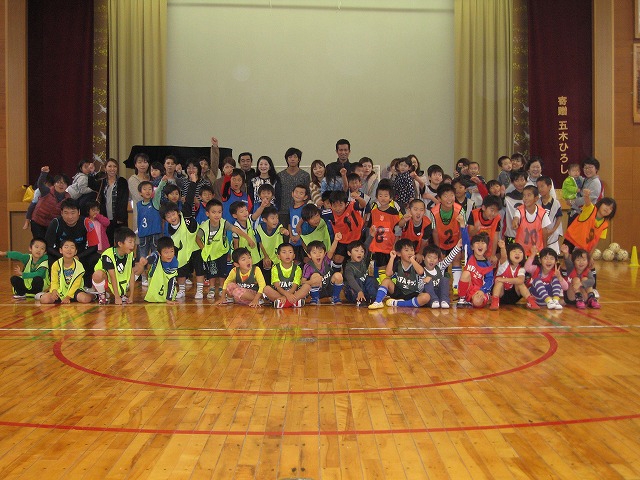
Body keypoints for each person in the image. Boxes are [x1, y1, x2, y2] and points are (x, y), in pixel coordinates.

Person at [196, 199, 255, 300]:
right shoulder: (204, 226)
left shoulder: (224, 223)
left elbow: (236, 230)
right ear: (207, 213)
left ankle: (221, 288)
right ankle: (211, 288)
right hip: (210, 254)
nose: (217, 215)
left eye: (219, 212)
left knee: (222, 271)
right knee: (212, 272)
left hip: (222, 252)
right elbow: (197, 238)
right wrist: (204, 249)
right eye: (213, 212)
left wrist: (248, 238)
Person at [45, 198, 99, 287]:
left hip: (80, 256)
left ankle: (88, 285)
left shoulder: (87, 223)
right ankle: (54, 286)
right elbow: (48, 247)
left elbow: (94, 247)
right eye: (66, 213)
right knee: (47, 259)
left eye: (73, 213)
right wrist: (64, 257)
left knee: (96, 258)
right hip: (60, 256)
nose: (70, 217)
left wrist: (77, 257)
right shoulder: (55, 223)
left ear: (79, 212)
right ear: (61, 213)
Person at [368, 238, 430, 309]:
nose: (410, 252)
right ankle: (378, 301)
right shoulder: (397, 264)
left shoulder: (416, 264)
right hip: (399, 292)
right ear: (399, 253)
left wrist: (412, 260)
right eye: (406, 250)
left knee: (426, 297)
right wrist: (392, 258)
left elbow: (420, 272)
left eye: (412, 250)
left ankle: (399, 303)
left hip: (413, 293)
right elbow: (388, 273)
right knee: (386, 281)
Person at [160, 202, 201, 300]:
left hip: (195, 248)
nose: (172, 218)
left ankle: (199, 290)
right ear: (165, 219)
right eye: (168, 217)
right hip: (182, 251)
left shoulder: (186, 217)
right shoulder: (170, 228)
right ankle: (181, 290)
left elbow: (189, 200)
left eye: (173, 214)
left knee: (199, 270)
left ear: (178, 212)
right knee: (181, 271)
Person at [92, 227, 142, 305]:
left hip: (120, 278)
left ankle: (123, 292)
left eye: (134, 242)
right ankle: (102, 296)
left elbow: (131, 274)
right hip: (107, 281)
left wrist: (131, 296)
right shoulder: (108, 255)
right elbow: (112, 276)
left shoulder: (130, 254)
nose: (133, 245)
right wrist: (117, 297)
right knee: (97, 275)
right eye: (130, 242)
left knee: (140, 267)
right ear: (120, 244)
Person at [38, 239, 95, 304]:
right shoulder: (56, 264)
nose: (69, 249)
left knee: (85, 299)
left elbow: (76, 284)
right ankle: (41, 295)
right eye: (66, 247)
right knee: (44, 300)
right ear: (60, 250)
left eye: (72, 247)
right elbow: (54, 281)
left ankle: (94, 295)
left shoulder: (79, 265)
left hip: (75, 291)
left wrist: (68, 297)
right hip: (60, 290)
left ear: (76, 252)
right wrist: (54, 291)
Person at [456, 215, 495, 309]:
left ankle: (474, 301)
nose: (480, 245)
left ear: (486, 248)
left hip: (480, 291)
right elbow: (465, 240)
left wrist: (482, 291)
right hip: (468, 289)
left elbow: (490, 281)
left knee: (477, 302)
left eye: (483, 243)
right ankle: (462, 299)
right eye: (477, 243)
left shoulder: (488, 265)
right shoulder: (470, 256)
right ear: (472, 247)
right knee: (465, 273)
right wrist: (462, 224)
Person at [430, 183, 463, 293]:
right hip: (440, 241)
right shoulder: (434, 212)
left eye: (451, 195)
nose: (449, 199)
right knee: (440, 261)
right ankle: (441, 287)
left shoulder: (460, 210)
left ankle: (456, 287)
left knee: (457, 258)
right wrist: (438, 249)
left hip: (455, 241)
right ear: (439, 198)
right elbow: (434, 231)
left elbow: (463, 229)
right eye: (445, 196)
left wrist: (460, 246)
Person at [489, 240, 539, 310]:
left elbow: (520, 280)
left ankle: (530, 301)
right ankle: (495, 301)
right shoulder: (504, 263)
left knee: (520, 283)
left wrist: (504, 279)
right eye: (514, 251)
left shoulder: (521, 268)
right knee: (499, 282)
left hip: (514, 295)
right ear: (508, 254)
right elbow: (503, 256)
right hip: (501, 294)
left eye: (520, 252)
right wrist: (503, 248)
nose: (517, 254)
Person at [368, 181, 404, 280]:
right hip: (378, 247)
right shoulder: (374, 212)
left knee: (391, 268)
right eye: (380, 195)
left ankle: (391, 288)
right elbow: (370, 229)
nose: (383, 198)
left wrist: (395, 245)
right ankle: (383, 288)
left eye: (385, 196)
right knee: (381, 268)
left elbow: (398, 230)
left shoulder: (394, 212)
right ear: (376, 197)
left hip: (390, 245)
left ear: (390, 198)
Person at [262, 243, 310, 308]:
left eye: (290, 252)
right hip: (280, 293)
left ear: (294, 256)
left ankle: (283, 303)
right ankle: (293, 302)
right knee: (266, 289)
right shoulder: (275, 268)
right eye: (284, 252)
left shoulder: (297, 268)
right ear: (278, 256)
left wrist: (287, 296)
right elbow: (277, 287)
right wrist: (285, 295)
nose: (287, 255)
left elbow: (294, 286)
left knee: (306, 287)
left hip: (293, 293)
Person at [301, 235, 344, 305]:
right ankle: (315, 298)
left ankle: (335, 297)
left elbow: (331, 251)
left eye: (320, 252)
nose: (318, 255)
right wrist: (312, 281)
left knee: (338, 275)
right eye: (314, 253)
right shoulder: (308, 266)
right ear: (309, 255)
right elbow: (302, 282)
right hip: (318, 290)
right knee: (316, 276)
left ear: (324, 254)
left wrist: (336, 240)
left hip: (329, 288)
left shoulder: (326, 260)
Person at [96, 158, 130, 244]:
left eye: (115, 166)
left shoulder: (122, 181)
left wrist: (120, 217)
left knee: (122, 242)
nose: (112, 169)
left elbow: (124, 200)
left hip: (119, 218)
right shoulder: (102, 182)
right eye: (109, 166)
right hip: (106, 218)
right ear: (105, 168)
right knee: (108, 242)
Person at [329, 190, 364, 272]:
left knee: (356, 258)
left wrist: (358, 198)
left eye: (340, 205)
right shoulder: (328, 213)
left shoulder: (352, 206)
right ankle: (336, 277)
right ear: (331, 205)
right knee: (337, 259)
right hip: (342, 240)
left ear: (346, 204)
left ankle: (356, 276)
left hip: (356, 238)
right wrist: (299, 224)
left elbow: (363, 205)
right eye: (334, 206)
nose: (337, 209)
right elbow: (314, 214)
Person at [31, 166, 71, 239]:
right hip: (37, 221)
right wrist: (44, 173)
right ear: (54, 184)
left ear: (67, 186)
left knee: (49, 244)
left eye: (64, 183)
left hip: (51, 225)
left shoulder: (68, 198)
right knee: (39, 243)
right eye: (58, 182)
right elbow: (40, 184)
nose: (61, 185)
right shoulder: (47, 191)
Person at [512, 185, 552, 256]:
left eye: (529, 195)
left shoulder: (542, 213)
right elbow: (516, 218)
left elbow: (544, 231)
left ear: (536, 198)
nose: (525, 198)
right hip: (521, 251)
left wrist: (545, 248)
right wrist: (515, 221)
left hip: (537, 251)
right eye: (524, 196)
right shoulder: (519, 210)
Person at [525, 245, 568, 309]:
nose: (549, 261)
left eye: (552, 258)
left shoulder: (555, 273)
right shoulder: (536, 269)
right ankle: (548, 300)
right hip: (537, 299)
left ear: (555, 261)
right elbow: (527, 268)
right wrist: (533, 254)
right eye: (545, 258)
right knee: (537, 280)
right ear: (540, 260)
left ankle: (555, 300)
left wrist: (559, 277)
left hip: (551, 300)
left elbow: (566, 287)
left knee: (556, 278)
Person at [278, 147, 311, 229]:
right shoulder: (280, 175)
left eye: (295, 157)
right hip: (283, 211)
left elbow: (308, 194)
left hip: (299, 211)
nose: (292, 159)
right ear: (286, 159)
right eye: (290, 157)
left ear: (299, 159)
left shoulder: (305, 175)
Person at [422, 242, 461, 309]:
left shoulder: (440, 267)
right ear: (423, 258)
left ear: (438, 260)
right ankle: (434, 300)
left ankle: (444, 301)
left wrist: (458, 246)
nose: (432, 260)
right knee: (428, 282)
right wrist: (423, 281)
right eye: (429, 257)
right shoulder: (421, 271)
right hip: (429, 297)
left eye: (435, 258)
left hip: (440, 295)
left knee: (444, 279)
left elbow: (450, 257)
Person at [255, 206, 289, 282]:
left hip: (278, 259)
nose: (276, 221)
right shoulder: (259, 228)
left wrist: (284, 231)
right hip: (264, 258)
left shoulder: (279, 227)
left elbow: (281, 229)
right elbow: (260, 243)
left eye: (277, 218)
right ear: (264, 220)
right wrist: (266, 257)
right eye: (272, 218)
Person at [560, 245, 600, 309]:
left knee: (586, 279)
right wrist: (566, 253)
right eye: (578, 260)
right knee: (576, 279)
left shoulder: (588, 271)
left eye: (584, 260)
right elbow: (567, 261)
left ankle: (591, 298)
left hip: (584, 297)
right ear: (574, 262)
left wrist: (580, 283)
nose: (581, 262)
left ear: (588, 261)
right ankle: (579, 298)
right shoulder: (571, 268)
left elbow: (592, 281)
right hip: (571, 297)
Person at [143, 236, 179, 304]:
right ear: (159, 253)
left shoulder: (174, 262)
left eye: (171, 251)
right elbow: (151, 258)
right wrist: (146, 261)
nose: (169, 255)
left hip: (168, 293)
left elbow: (172, 280)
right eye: (166, 252)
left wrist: (169, 299)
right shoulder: (156, 255)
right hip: (154, 294)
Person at [568, 157, 604, 223]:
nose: (587, 170)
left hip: (587, 216)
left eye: (590, 167)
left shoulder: (595, 182)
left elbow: (589, 199)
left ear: (596, 169)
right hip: (580, 213)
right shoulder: (587, 180)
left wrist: (573, 201)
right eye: (585, 168)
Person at [342, 240, 378, 305]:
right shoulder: (348, 268)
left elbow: (366, 245)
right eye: (356, 250)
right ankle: (360, 300)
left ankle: (373, 298)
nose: (359, 253)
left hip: (364, 289)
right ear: (349, 253)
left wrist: (371, 235)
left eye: (362, 251)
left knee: (370, 279)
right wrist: (359, 291)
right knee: (356, 281)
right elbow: (351, 281)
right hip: (354, 291)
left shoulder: (364, 261)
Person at [467, 195, 502, 260]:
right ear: (483, 207)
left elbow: (495, 237)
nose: (494, 213)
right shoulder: (474, 213)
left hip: (489, 249)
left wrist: (493, 255)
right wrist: (476, 229)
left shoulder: (497, 218)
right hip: (474, 249)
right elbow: (469, 233)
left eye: (497, 211)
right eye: (492, 210)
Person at [398, 198, 433, 263]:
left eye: (421, 210)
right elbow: (399, 226)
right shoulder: (406, 220)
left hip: (419, 251)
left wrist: (420, 253)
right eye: (415, 209)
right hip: (404, 251)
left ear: (424, 211)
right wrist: (404, 220)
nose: (418, 213)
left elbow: (424, 241)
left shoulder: (427, 223)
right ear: (409, 210)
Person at [537, 176, 563, 254]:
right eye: (538, 187)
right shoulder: (537, 202)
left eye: (542, 186)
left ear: (549, 187)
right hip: (539, 233)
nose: (540, 189)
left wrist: (552, 230)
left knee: (552, 255)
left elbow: (559, 218)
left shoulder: (556, 203)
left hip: (552, 232)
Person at [288, 184, 310, 263]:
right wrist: (291, 236)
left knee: (306, 261)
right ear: (292, 193)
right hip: (293, 241)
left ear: (305, 197)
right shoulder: (290, 208)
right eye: (296, 192)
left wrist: (299, 236)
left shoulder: (306, 208)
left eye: (301, 193)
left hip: (303, 241)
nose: (297, 194)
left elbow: (306, 225)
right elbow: (289, 223)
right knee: (295, 262)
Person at [128, 152, 151, 229]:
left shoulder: (151, 178)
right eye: (139, 162)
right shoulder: (133, 180)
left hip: (153, 213)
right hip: (140, 212)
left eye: (145, 162)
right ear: (135, 164)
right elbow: (140, 197)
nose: (142, 165)